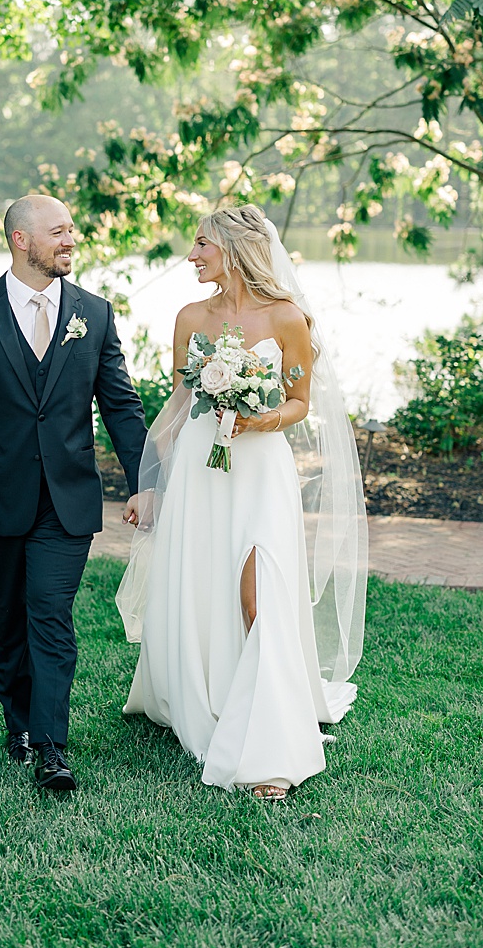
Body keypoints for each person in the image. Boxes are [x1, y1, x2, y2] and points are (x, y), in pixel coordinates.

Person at [116, 203, 367, 799]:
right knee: (202, 581)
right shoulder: (190, 317)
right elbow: (179, 405)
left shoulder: (287, 318)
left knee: (260, 594)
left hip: (260, 470)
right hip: (200, 470)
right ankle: (210, 693)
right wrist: (152, 485)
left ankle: (272, 737)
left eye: (201, 244)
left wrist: (262, 419)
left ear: (234, 248)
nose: (191, 255)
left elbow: (300, 402)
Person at [0, 194, 149, 793]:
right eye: (58, 232)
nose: (70, 240)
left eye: (72, 230)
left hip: (67, 498)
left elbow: (122, 407)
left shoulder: (94, 314)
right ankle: (19, 726)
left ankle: (52, 745)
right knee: (7, 618)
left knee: (50, 614)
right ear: (20, 240)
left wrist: (145, 483)